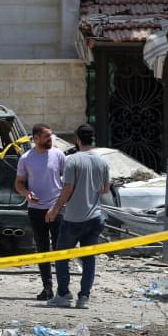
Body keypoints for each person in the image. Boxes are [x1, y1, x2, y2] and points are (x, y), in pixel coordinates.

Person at [45, 123, 110, 310]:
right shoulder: (103, 161)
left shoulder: (72, 160)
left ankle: (63, 294)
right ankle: (84, 298)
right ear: (93, 139)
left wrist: (54, 209)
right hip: (95, 218)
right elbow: (105, 190)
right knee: (88, 258)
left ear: (78, 139)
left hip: (74, 219)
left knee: (61, 255)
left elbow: (67, 189)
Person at [15, 123, 66, 301]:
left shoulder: (59, 155)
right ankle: (47, 287)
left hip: (56, 207)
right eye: (46, 137)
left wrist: (59, 205)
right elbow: (19, 184)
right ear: (36, 138)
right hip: (36, 209)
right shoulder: (26, 158)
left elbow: (66, 182)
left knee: (60, 249)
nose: (50, 139)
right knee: (42, 248)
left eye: (51, 136)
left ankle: (63, 288)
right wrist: (27, 193)